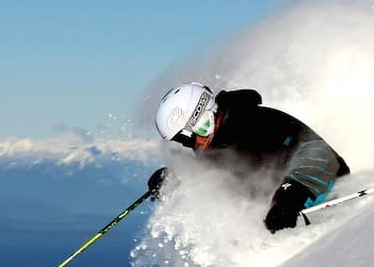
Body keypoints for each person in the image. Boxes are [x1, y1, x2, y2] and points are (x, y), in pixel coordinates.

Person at [146, 82, 349, 232]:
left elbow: (318, 154)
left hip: (334, 203)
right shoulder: (216, 147)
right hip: (288, 224)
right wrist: (176, 179)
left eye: (187, 138)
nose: (190, 145)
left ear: (202, 122)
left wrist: (289, 198)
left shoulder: (258, 124)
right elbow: (217, 183)